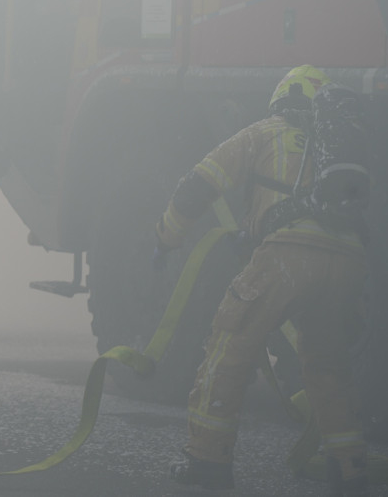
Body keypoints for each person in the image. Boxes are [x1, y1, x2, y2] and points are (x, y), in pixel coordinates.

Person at [155, 65, 369, 496]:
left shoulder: (265, 132)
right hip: (346, 259)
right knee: (328, 363)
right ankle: (347, 466)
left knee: (230, 344)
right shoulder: (333, 149)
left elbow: (198, 185)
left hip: (290, 253)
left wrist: (166, 237)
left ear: (281, 99)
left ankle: (207, 458)